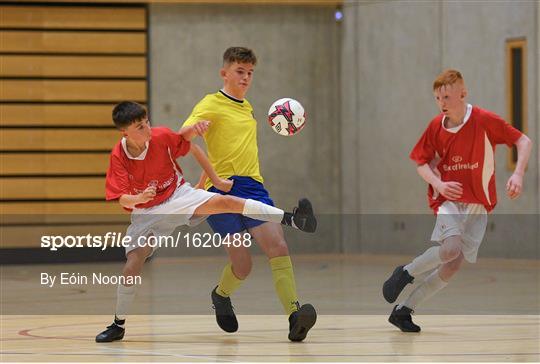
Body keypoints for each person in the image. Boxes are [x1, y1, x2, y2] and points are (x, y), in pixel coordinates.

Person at [95, 101, 316, 342]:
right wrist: (138, 197)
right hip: (148, 213)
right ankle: (118, 324)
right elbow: (122, 199)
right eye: (140, 127)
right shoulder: (119, 156)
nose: (147, 129)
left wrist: (214, 180)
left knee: (227, 201)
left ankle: (293, 219)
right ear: (124, 132)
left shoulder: (159, 136)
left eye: (147, 122)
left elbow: (190, 146)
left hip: (180, 196)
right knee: (132, 266)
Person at [181, 47, 317, 342]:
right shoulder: (211, 103)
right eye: (240, 71)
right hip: (221, 192)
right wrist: (197, 131)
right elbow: (182, 138)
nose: (245, 77)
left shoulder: (247, 107)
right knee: (243, 266)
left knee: (277, 246)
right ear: (225, 73)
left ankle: (295, 316)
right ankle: (220, 295)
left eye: (250, 73)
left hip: (253, 187)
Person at [382, 69, 532, 332]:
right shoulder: (435, 127)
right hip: (447, 198)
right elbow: (421, 163)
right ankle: (406, 272)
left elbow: (523, 141)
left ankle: (404, 310)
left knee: (453, 265)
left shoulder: (484, 120)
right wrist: (438, 183)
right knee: (450, 249)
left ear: (463, 94)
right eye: (437, 98)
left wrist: (518, 174)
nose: (442, 103)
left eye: (447, 97)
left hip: (478, 203)